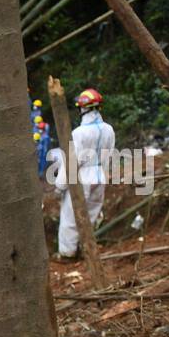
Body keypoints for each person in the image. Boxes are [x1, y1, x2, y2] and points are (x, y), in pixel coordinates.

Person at [53, 88, 115, 260]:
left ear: (82, 108)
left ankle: (67, 254)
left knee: (71, 218)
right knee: (91, 215)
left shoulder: (79, 133)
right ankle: (85, 249)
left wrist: (60, 186)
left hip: (81, 178)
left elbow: (71, 162)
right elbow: (109, 155)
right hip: (100, 176)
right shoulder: (109, 129)